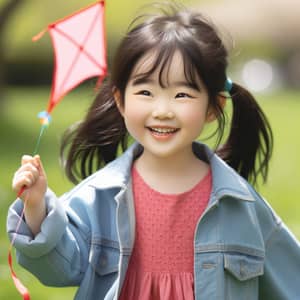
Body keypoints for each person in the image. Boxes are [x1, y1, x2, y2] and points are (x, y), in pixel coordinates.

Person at [7, 3, 300, 300]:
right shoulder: (98, 197)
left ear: (214, 106)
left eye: (182, 94)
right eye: (146, 92)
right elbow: (59, 270)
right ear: (121, 101)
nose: (162, 111)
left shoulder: (241, 205)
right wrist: (35, 209)